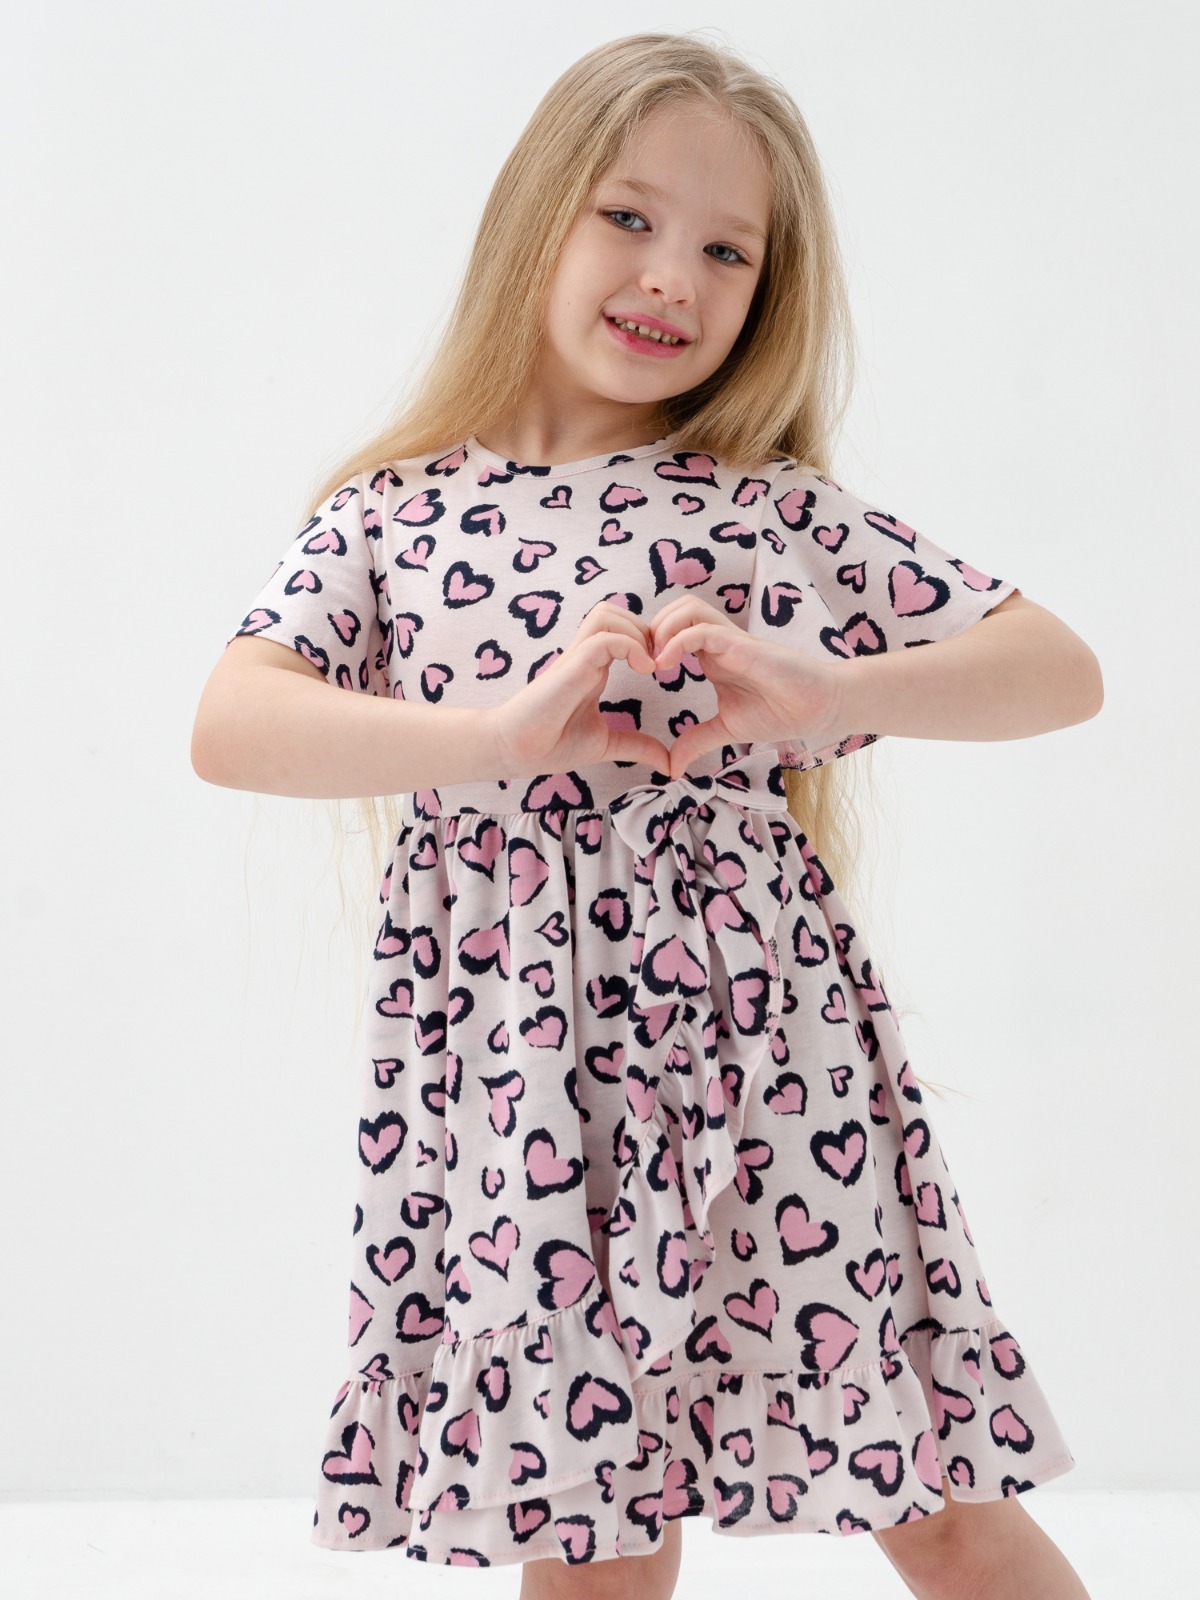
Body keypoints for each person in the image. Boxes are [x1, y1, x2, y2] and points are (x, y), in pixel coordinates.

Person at [191, 30, 1100, 1600]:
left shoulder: (762, 506)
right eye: (628, 216)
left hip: (771, 1088)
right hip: (526, 1105)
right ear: (535, 213)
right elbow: (232, 722)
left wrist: (829, 692)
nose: (672, 275)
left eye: (728, 250)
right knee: (592, 1529)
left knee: (934, 1496)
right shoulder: (396, 514)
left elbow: (1055, 668)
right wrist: (493, 736)